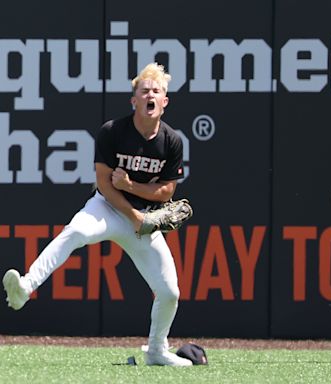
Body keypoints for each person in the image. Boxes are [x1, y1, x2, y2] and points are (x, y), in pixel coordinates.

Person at [3, 63, 192, 366]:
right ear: (134, 100)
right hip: (107, 208)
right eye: (144, 90)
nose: (150, 95)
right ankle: (25, 287)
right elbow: (104, 184)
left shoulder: (171, 141)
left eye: (157, 91)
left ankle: (157, 350)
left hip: (144, 220)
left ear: (165, 101)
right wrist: (132, 214)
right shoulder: (113, 132)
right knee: (75, 232)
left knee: (170, 291)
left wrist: (132, 187)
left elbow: (167, 191)